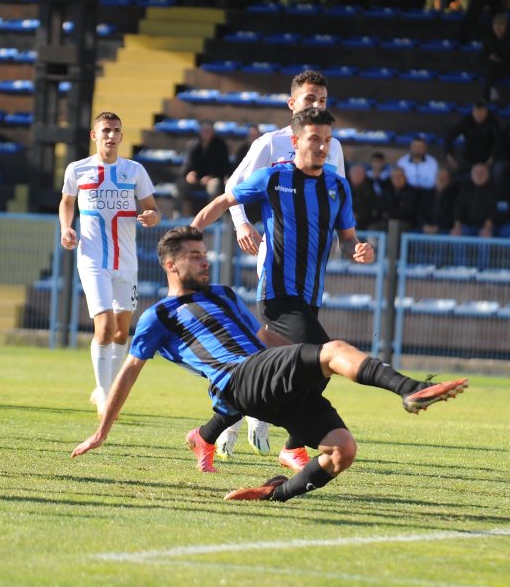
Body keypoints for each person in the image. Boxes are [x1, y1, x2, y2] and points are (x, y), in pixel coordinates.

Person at [70, 225, 468, 501]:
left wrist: (309, 349)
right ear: (171, 265)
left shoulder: (224, 294)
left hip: (264, 381)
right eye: (194, 257)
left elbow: (263, 339)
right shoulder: (160, 315)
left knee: (343, 451)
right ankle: (410, 390)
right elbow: (130, 371)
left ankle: (276, 492)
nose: (204, 262)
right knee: (333, 352)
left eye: (205, 255)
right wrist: (102, 430)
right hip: (237, 380)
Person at [192, 107, 375, 473]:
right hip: (278, 296)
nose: (322, 147)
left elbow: (349, 236)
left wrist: (361, 249)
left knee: (269, 377)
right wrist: (190, 235)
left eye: (327, 140)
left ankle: (207, 433)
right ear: (295, 142)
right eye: (314, 139)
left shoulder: (337, 187)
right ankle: (293, 444)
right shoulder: (274, 178)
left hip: (310, 299)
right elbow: (226, 200)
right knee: (324, 361)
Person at [218, 69, 347, 457]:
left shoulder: (333, 146)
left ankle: (235, 414)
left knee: (284, 353)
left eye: (322, 100)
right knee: (312, 352)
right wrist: (242, 224)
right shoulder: (270, 144)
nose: (316, 106)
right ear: (292, 103)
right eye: (309, 100)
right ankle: (274, 428)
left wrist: (345, 239)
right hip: (275, 262)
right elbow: (232, 188)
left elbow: (335, 195)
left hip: (312, 266)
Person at [59, 112, 159, 416]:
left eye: (116, 131)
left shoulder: (135, 171)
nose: (111, 136)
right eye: (105, 130)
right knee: (103, 327)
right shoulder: (78, 169)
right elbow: (66, 202)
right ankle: (104, 395)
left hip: (126, 261)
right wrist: (66, 228)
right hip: (92, 259)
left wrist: (152, 218)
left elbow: (153, 211)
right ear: (94, 135)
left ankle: (107, 388)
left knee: (121, 331)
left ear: (122, 136)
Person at [177, 120, 231, 217]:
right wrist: (188, 174)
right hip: (196, 180)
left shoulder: (221, 145)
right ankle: (176, 215)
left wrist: (212, 177)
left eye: (208, 130)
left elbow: (225, 168)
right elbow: (187, 165)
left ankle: (214, 216)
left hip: (213, 179)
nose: (206, 132)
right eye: (203, 130)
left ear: (213, 131)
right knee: (179, 185)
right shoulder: (193, 144)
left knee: (214, 186)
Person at [444, 100, 501, 177]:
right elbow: (450, 134)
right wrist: (449, 154)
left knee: (497, 170)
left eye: (482, 112)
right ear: (473, 112)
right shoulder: (466, 121)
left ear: (486, 112)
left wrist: (492, 158)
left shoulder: (493, 123)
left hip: (487, 160)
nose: (479, 114)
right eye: (476, 111)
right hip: (468, 159)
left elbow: (498, 142)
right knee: (450, 170)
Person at [478, 13, 510, 103]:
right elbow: (480, 58)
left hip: (506, 68)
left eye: (501, 25)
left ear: (506, 27)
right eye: (496, 26)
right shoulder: (488, 39)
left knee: (490, 65)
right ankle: (491, 90)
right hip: (490, 69)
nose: (498, 28)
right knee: (490, 64)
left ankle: (486, 95)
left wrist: (500, 60)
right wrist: (490, 57)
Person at [455, 162, 499, 237]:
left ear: (488, 175)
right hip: (466, 226)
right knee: (455, 234)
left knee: (486, 236)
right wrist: (457, 227)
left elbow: (491, 212)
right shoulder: (465, 188)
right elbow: (458, 208)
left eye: (482, 173)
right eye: (476, 172)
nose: (479, 175)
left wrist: (486, 229)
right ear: (471, 175)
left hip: (485, 226)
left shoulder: (493, 190)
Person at [421, 168, 460, 234]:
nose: (441, 178)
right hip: (426, 227)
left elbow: (452, 215)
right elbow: (421, 212)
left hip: (444, 228)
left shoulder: (454, 196)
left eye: (444, 176)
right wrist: (425, 225)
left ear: (449, 180)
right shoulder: (427, 194)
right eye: (439, 175)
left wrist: (438, 227)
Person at [347, 164, 380, 230]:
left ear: (365, 175)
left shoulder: (370, 189)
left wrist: (357, 215)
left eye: (360, 173)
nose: (357, 175)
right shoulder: (342, 187)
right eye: (355, 172)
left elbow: (371, 208)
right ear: (350, 174)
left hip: (364, 221)